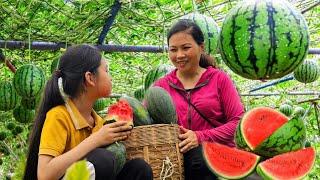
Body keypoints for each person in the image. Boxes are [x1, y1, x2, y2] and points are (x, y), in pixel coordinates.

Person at [24, 45, 153, 180]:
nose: (111, 77)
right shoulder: (59, 115)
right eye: (107, 71)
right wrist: (96, 139)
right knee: (103, 159)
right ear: (90, 78)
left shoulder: (99, 121)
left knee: (139, 168)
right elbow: (44, 174)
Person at [154, 19, 244, 180]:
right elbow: (144, 119)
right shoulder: (161, 86)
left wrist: (200, 136)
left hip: (220, 157)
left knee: (198, 160)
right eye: (173, 50)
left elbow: (237, 123)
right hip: (176, 161)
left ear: (201, 47)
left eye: (186, 48)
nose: (179, 55)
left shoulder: (219, 79)